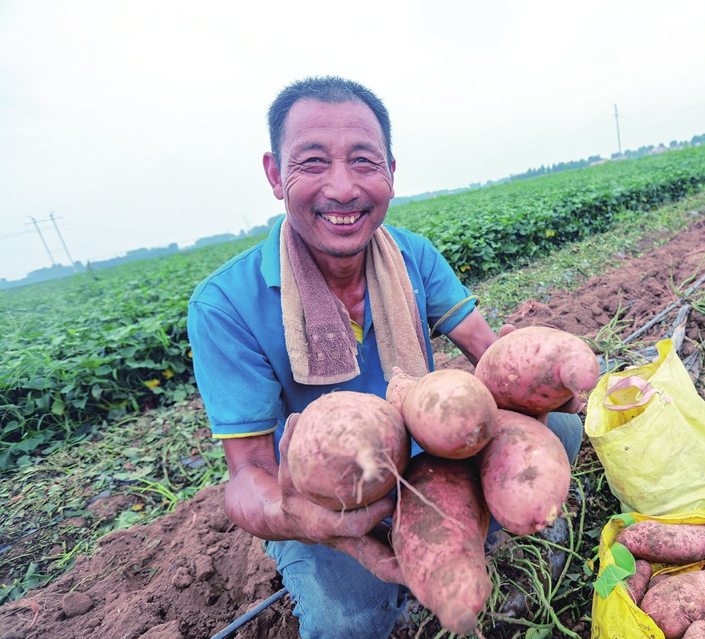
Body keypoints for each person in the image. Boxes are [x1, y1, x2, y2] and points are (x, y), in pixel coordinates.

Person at [186, 76, 583, 639]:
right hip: (330, 494)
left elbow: (488, 353)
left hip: (428, 457)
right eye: (314, 162)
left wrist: (538, 379)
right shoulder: (226, 304)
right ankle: (399, 574)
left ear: (391, 172)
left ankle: (478, 542)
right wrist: (299, 517)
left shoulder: (413, 256)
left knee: (562, 429)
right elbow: (248, 473)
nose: (343, 188)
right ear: (276, 175)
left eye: (364, 162)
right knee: (347, 620)